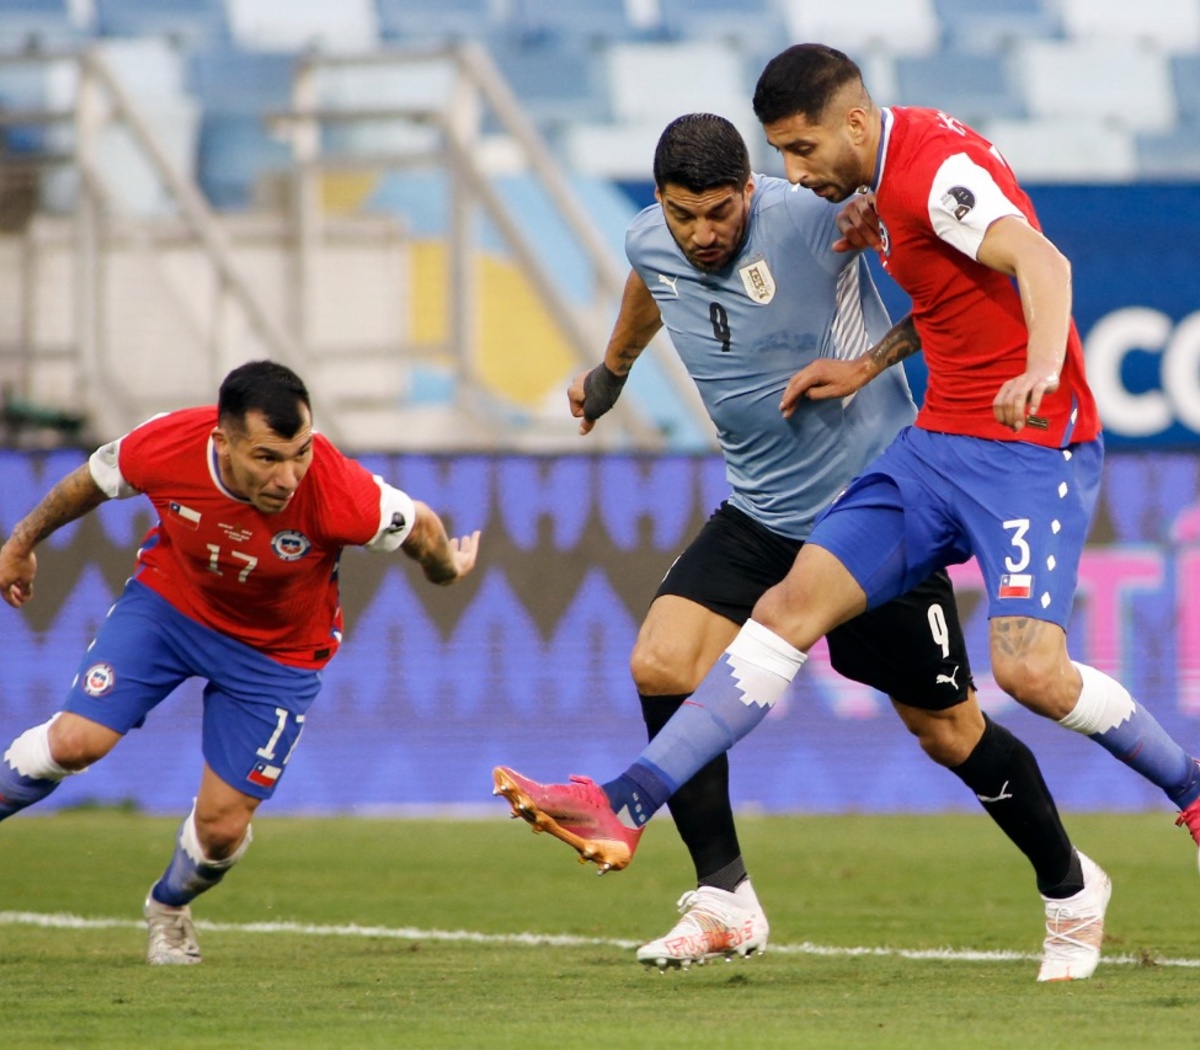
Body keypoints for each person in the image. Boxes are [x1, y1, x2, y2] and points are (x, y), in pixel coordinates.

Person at [496, 49, 1200, 981]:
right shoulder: (870, 191)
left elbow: (1040, 256)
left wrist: (1038, 365)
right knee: (772, 616)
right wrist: (862, 364)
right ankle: (629, 808)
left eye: (800, 149)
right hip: (930, 447)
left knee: (1019, 678)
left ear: (854, 126)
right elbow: (947, 303)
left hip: (1032, 451)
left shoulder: (925, 177)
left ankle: (1173, 801)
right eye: (781, 152)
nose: (797, 171)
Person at [0, 359, 480, 965]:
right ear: (221, 442)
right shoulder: (166, 444)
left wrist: (446, 570)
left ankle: (169, 908)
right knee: (74, 743)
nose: (288, 476)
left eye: (300, 451)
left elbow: (422, 527)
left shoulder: (337, 490)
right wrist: (19, 544)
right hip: (170, 610)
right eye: (267, 458)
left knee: (224, 828)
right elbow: (89, 483)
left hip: (275, 652)